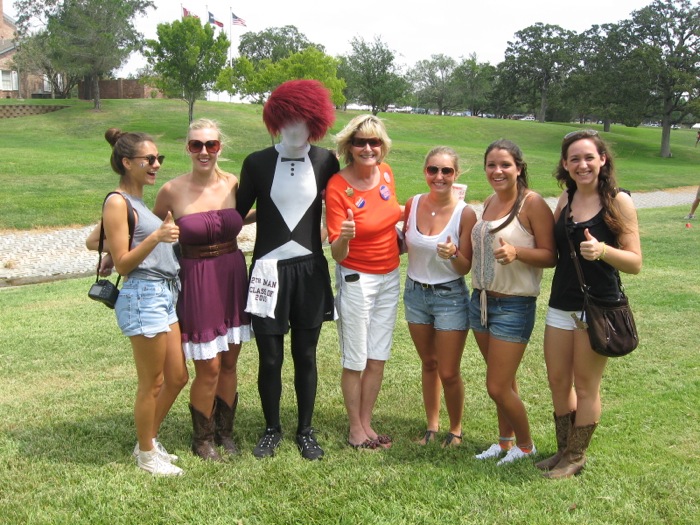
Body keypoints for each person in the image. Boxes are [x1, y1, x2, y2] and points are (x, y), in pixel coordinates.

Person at [236, 80, 339, 460]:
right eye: (287, 119)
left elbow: (348, 203)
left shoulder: (327, 160)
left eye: (304, 119)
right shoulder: (257, 162)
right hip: (267, 270)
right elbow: (234, 214)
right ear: (274, 121)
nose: (295, 128)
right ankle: (271, 428)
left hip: (310, 270)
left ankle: (306, 430)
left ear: (317, 121)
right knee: (270, 357)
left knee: (306, 355)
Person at [540, 130, 642, 479]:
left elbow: (635, 262)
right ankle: (562, 450)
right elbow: (554, 255)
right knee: (557, 381)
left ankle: (576, 456)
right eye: (574, 159)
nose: (582, 165)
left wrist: (603, 251)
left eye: (588, 157)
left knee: (585, 385)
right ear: (565, 165)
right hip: (560, 303)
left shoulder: (618, 201)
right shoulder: (564, 201)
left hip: (596, 306)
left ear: (602, 159)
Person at [87, 128, 187, 476]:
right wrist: (157, 236)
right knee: (153, 382)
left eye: (159, 158)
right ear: (127, 162)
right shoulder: (117, 201)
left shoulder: (137, 201)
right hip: (143, 294)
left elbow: (92, 241)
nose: (156, 164)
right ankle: (146, 455)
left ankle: (148, 440)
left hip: (164, 294)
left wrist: (110, 247)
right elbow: (127, 262)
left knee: (177, 377)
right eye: (149, 159)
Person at [153, 119, 251, 461]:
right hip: (196, 278)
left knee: (229, 362)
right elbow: (149, 232)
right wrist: (110, 252)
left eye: (211, 144)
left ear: (220, 147)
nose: (204, 151)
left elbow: (242, 216)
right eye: (197, 145)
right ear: (187, 148)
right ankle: (202, 438)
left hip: (233, 273)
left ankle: (226, 432)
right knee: (207, 365)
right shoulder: (171, 190)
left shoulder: (235, 184)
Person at [470, 139, 556, 465]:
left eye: (505, 164)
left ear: (519, 168)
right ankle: (504, 443)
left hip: (513, 306)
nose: (497, 170)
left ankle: (526, 445)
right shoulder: (490, 201)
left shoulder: (532, 204)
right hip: (479, 302)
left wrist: (517, 252)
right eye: (491, 164)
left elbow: (551, 255)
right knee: (504, 381)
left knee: (496, 386)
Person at [326, 115, 402, 450]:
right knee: (356, 358)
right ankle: (355, 429)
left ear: (382, 145)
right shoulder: (337, 186)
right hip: (357, 279)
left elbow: (391, 217)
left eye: (374, 142)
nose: (368, 148)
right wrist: (344, 236)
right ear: (349, 147)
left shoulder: (386, 173)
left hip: (390, 276)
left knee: (378, 356)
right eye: (361, 143)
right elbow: (337, 255)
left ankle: (368, 423)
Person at [402, 147, 476, 447]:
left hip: (450, 296)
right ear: (425, 172)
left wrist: (454, 253)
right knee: (429, 363)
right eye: (433, 170)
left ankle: (455, 429)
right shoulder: (413, 203)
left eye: (446, 171)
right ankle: (431, 426)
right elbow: (401, 243)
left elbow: (465, 266)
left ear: (455, 175)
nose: (439, 176)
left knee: (448, 370)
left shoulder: (465, 213)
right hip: (415, 294)